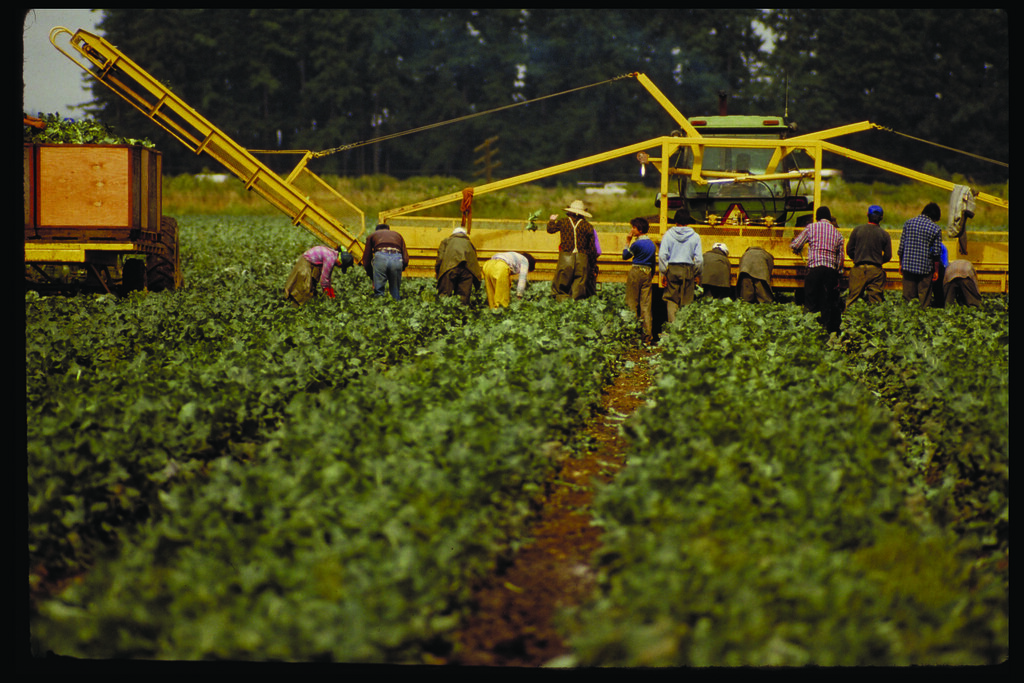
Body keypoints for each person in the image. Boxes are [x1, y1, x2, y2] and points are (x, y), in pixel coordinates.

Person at [791, 206, 844, 334]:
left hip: (814, 269)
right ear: (829, 218)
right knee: (826, 302)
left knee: (811, 301)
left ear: (817, 217)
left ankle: (810, 329)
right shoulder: (837, 233)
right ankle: (825, 330)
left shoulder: (811, 228)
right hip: (830, 272)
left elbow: (796, 244)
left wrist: (797, 249)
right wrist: (839, 273)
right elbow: (840, 258)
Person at [658, 209, 704, 322]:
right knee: (687, 300)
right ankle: (683, 330)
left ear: (675, 220)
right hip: (688, 269)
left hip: (672, 269)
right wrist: (697, 273)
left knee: (671, 299)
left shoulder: (668, 235)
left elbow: (662, 255)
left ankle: (672, 327)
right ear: (688, 221)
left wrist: (663, 272)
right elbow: (699, 259)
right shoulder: (695, 236)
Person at [547, 199, 597, 301]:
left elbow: (550, 230)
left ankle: (562, 305)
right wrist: (592, 265)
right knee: (579, 287)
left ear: (570, 211)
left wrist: (552, 220)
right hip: (582, 259)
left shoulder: (563, 222)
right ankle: (576, 306)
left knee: (561, 285)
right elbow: (592, 248)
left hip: (566, 257)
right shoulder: (588, 226)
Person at [844, 204, 892, 309]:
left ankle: (848, 321)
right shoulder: (884, 234)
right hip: (875, 271)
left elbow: (849, 250)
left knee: (852, 299)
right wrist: (878, 261)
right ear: (881, 218)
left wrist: (857, 258)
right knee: (876, 303)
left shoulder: (857, 230)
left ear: (867, 215)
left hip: (858, 269)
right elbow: (888, 256)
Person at [897, 202, 943, 308]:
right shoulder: (935, 228)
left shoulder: (908, 223)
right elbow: (936, 253)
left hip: (908, 266)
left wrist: (901, 264)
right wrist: (936, 271)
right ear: (934, 216)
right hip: (924, 269)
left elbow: (901, 248)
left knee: (908, 299)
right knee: (924, 300)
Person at [621, 217, 656, 343]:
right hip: (647, 273)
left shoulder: (637, 244)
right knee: (646, 305)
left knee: (632, 303)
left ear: (640, 230)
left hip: (636, 272)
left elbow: (625, 256)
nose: (632, 230)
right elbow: (652, 262)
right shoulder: (651, 244)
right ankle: (647, 336)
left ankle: (632, 335)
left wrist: (627, 241)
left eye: (634, 228)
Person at [283, 244, 353, 306]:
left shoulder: (335, 254)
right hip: (305, 263)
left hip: (312, 264)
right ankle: (294, 308)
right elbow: (324, 280)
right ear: (340, 263)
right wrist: (329, 295)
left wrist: (330, 290)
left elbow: (327, 278)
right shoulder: (331, 259)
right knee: (303, 291)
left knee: (310, 287)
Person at [435, 226, 482, 305]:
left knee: (444, 296)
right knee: (463, 298)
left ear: (453, 234)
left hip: (449, 269)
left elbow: (440, 258)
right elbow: (474, 260)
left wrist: (438, 272)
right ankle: (461, 314)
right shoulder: (469, 243)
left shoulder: (446, 241)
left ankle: (444, 314)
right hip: (467, 271)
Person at [363, 223, 409, 301]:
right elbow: (405, 257)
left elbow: (367, 258)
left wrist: (371, 274)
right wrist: (401, 267)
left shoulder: (372, 235)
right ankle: (396, 305)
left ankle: (380, 307)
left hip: (380, 257)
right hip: (397, 258)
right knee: (395, 290)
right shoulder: (398, 235)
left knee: (379, 291)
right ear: (388, 229)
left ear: (377, 230)